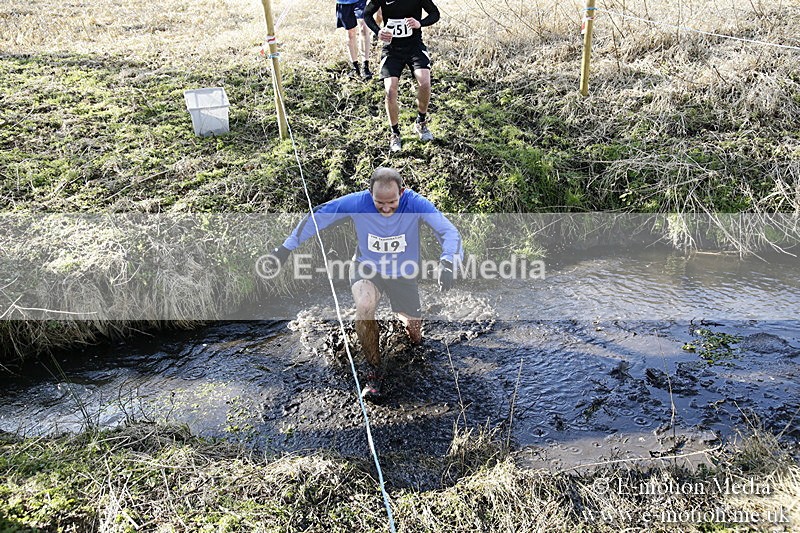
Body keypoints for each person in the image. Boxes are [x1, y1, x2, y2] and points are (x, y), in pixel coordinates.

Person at [270, 167, 462, 400]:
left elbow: (449, 231)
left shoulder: (416, 203)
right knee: (365, 304)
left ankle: (413, 347)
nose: (385, 208)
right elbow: (319, 215)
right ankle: (373, 371)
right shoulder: (358, 202)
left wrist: (448, 261)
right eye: (379, 202)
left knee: (414, 333)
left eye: (392, 202)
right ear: (369, 192)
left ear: (402, 191)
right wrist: (285, 248)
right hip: (366, 267)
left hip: (403, 272)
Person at [363, 0, 440, 152]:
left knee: (424, 82)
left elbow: (435, 14)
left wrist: (420, 23)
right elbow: (367, 14)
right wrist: (377, 32)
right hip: (392, 49)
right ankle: (395, 133)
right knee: (390, 91)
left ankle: (421, 122)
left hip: (414, 46)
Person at [336, 0, 373, 80]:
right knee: (350, 33)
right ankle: (355, 66)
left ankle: (365, 65)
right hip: (344, 3)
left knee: (363, 27)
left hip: (361, 2)